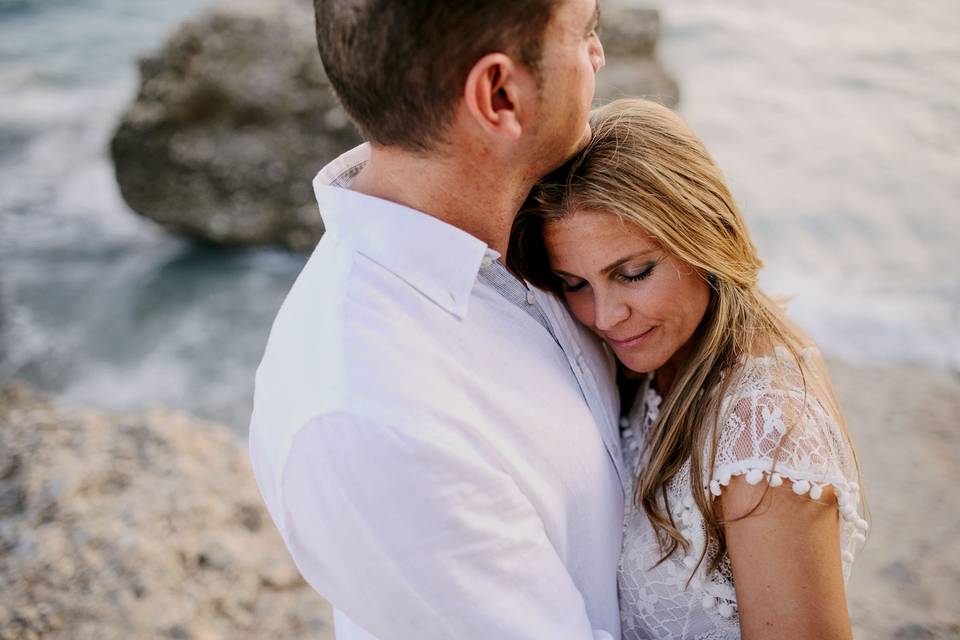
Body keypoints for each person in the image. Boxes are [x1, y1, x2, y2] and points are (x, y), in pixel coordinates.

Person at [248, 1, 626, 639]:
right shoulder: (370, 418)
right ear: (499, 94)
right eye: (585, 31)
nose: (599, 55)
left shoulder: (543, 238)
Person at [510, 98, 868, 640]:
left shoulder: (763, 436)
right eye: (576, 284)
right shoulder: (657, 360)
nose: (605, 317)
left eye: (632, 273)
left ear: (702, 236)